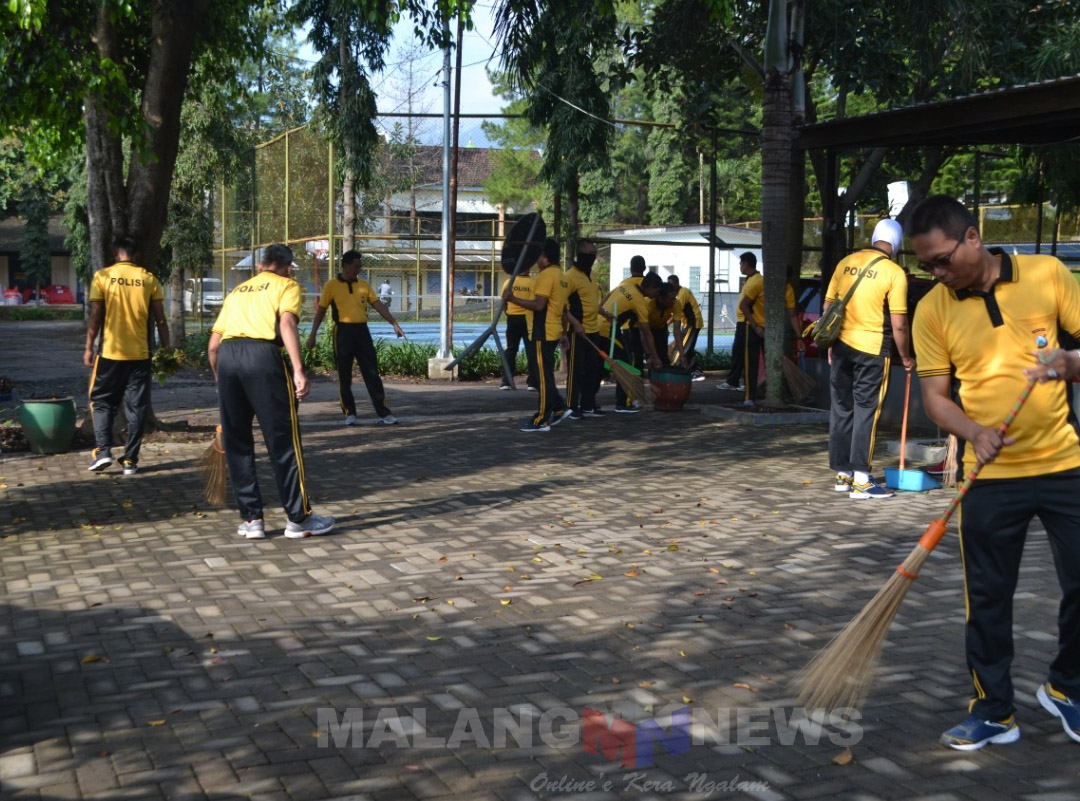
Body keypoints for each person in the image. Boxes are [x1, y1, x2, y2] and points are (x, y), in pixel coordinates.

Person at [909, 195, 1080, 750]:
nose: (936, 273)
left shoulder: (1048, 275)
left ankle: (1067, 687)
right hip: (991, 477)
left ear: (973, 238)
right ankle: (993, 710)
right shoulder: (933, 308)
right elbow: (935, 398)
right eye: (926, 265)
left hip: (1066, 465)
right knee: (986, 598)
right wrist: (972, 432)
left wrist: (1071, 364)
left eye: (941, 260)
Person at [208, 243, 334, 540]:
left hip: (227, 358)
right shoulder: (286, 286)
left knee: (237, 441)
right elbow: (287, 323)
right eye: (291, 265)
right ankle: (298, 519)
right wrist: (299, 370)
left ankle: (252, 521)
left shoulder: (237, 291)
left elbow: (212, 345)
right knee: (283, 440)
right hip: (263, 357)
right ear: (282, 264)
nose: (292, 271)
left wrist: (221, 381)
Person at [826, 218, 914, 500]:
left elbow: (829, 305)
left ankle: (843, 474)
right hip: (873, 349)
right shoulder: (894, 272)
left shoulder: (846, 262)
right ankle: (862, 480)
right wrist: (907, 357)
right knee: (867, 410)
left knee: (842, 408)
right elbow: (899, 323)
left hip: (840, 346)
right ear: (897, 244)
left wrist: (830, 343)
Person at [84, 235, 169, 475]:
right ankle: (131, 460)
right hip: (140, 355)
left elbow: (96, 316)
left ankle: (103, 452)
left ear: (114, 253)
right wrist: (166, 348)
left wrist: (89, 347)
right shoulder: (148, 279)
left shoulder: (103, 276)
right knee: (137, 407)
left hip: (110, 353)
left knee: (101, 402)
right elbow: (161, 319)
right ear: (137, 255)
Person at [306, 250, 404, 426]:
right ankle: (349, 413)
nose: (359, 269)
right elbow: (321, 310)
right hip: (342, 332)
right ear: (346, 265)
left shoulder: (364, 285)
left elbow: (378, 305)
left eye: (360, 266)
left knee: (372, 373)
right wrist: (313, 334)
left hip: (362, 332)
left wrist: (394, 323)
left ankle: (384, 413)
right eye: (356, 266)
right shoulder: (331, 286)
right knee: (344, 375)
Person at [502, 238, 570, 432]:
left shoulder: (546, 276)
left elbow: (539, 305)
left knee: (542, 377)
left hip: (543, 332)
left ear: (545, 256)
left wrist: (513, 298)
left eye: (538, 256)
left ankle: (541, 419)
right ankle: (558, 407)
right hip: (553, 330)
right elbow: (564, 310)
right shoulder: (562, 276)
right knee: (544, 374)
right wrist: (564, 333)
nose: (536, 260)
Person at [738, 260, 805, 405]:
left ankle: (771, 393)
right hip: (753, 327)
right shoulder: (759, 283)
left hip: (771, 330)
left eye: (785, 281)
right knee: (752, 362)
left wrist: (799, 337)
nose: (782, 285)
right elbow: (743, 305)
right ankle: (749, 397)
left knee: (772, 363)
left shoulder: (788, 290)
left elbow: (793, 315)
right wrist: (756, 326)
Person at [599, 271, 665, 413]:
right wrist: (655, 357)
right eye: (657, 291)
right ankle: (622, 404)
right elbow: (646, 332)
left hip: (598, 324)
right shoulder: (639, 301)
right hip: (609, 329)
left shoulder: (626, 285)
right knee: (625, 365)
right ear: (651, 288)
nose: (657, 295)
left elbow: (606, 298)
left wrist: (599, 312)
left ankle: (587, 405)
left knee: (600, 367)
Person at [563, 239, 604, 418]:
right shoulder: (569, 277)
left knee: (593, 370)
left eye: (594, 255)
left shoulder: (591, 276)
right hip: (577, 332)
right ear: (580, 255)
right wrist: (575, 324)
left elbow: (594, 302)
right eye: (589, 255)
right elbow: (562, 308)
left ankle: (588, 404)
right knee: (576, 370)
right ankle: (572, 407)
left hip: (594, 330)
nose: (592, 258)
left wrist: (605, 313)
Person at [719, 252, 757, 391]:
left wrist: (752, 322)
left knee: (744, 353)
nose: (740, 266)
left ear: (746, 264)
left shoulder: (756, 280)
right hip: (742, 322)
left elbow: (747, 305)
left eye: (741, 263)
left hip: (747, 323)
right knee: (739, 352)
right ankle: (735, 381)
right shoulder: (749, 279)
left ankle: (742, 383)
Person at [499, 270, 539, 391]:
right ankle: (532, 383)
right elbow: (536, 303)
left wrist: (510, 313)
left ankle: (506, 381)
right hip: (529, 320)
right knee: (531, 350)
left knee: (510, 349)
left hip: (512, 319)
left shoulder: (508, 282)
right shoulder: (534, 283)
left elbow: (504, 302)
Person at [668, 275, 704, 380]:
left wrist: (666, 324)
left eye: (672, 285)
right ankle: (696, 370)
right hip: (691, 323)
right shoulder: (681, 292)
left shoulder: (682, 294)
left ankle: (679, 370)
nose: (670, 287)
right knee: (689, 346)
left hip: (692, 323)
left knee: (683, 347)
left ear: (677, 284)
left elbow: (675, 314)